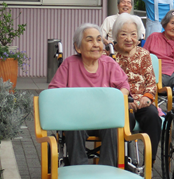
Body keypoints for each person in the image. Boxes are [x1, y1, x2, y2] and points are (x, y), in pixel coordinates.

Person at [48, 24, 130, 167]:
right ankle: (79, 170)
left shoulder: (109, 63)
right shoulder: (69, 64)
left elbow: (124, 85)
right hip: (79, 118)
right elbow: (54, 91)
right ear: (78, 47)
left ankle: (107, 171)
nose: (96, 44)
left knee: (114, 127)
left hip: (105, 117)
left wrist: (119, 96)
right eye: (90, 40)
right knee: (73, 127)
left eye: (99, 40)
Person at [112, 13, 163, 167]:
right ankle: (123, 162)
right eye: (124, 34)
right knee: (127, 119)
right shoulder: (110, 56)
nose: (129, 39)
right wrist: (124, 102)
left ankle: (149, 163)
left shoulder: (144, 54)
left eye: (133, 34)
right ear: (116, 35)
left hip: (142, 102)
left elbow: (151, 83)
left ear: (139, 36)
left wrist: (146, 98)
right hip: (119, 104)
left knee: (153, 117)